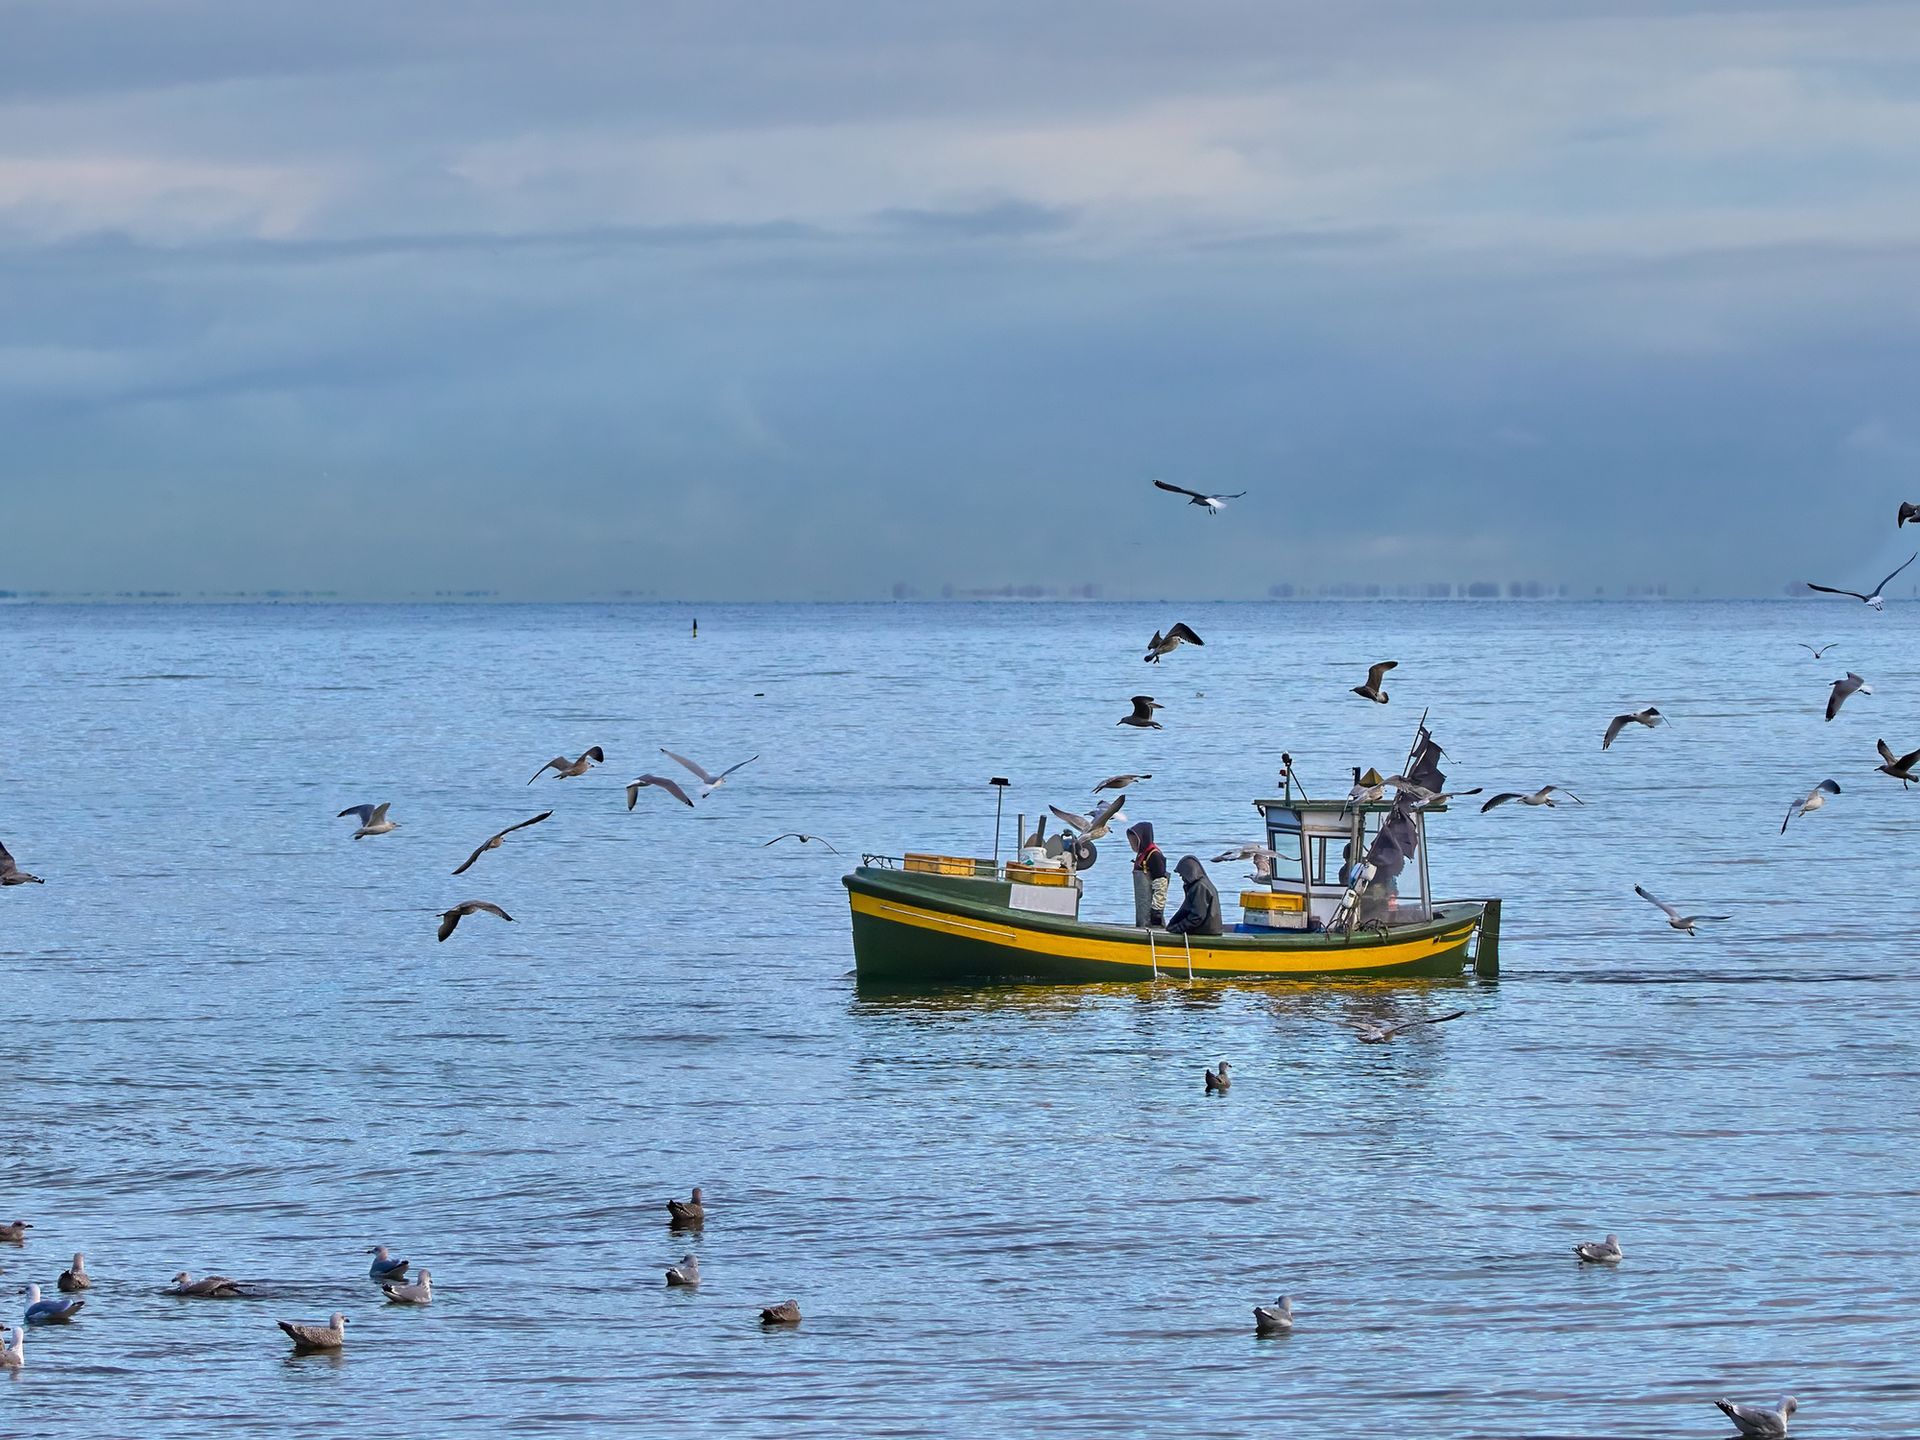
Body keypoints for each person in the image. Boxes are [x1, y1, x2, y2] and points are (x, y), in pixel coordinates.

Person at [1166, 855, 1224, 936]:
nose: (1181, 877)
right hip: (1207, 930)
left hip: (1205, 932)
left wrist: (1177, 928)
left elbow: (1197, 916)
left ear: (1189, 872)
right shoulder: (1199, 885)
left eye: (1182, 874)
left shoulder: (1200, 887)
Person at [1126, 821, 1168, 928]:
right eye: (1130, 840)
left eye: (1135, 840)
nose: (1132, 843)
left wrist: (1157, 910)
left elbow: (1161, 883)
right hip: (1142, 907)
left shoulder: (1154, 855)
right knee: (1142, 922)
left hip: (1151, 909)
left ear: (1142, 838)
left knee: (1152, 925)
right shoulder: (1142, 855)